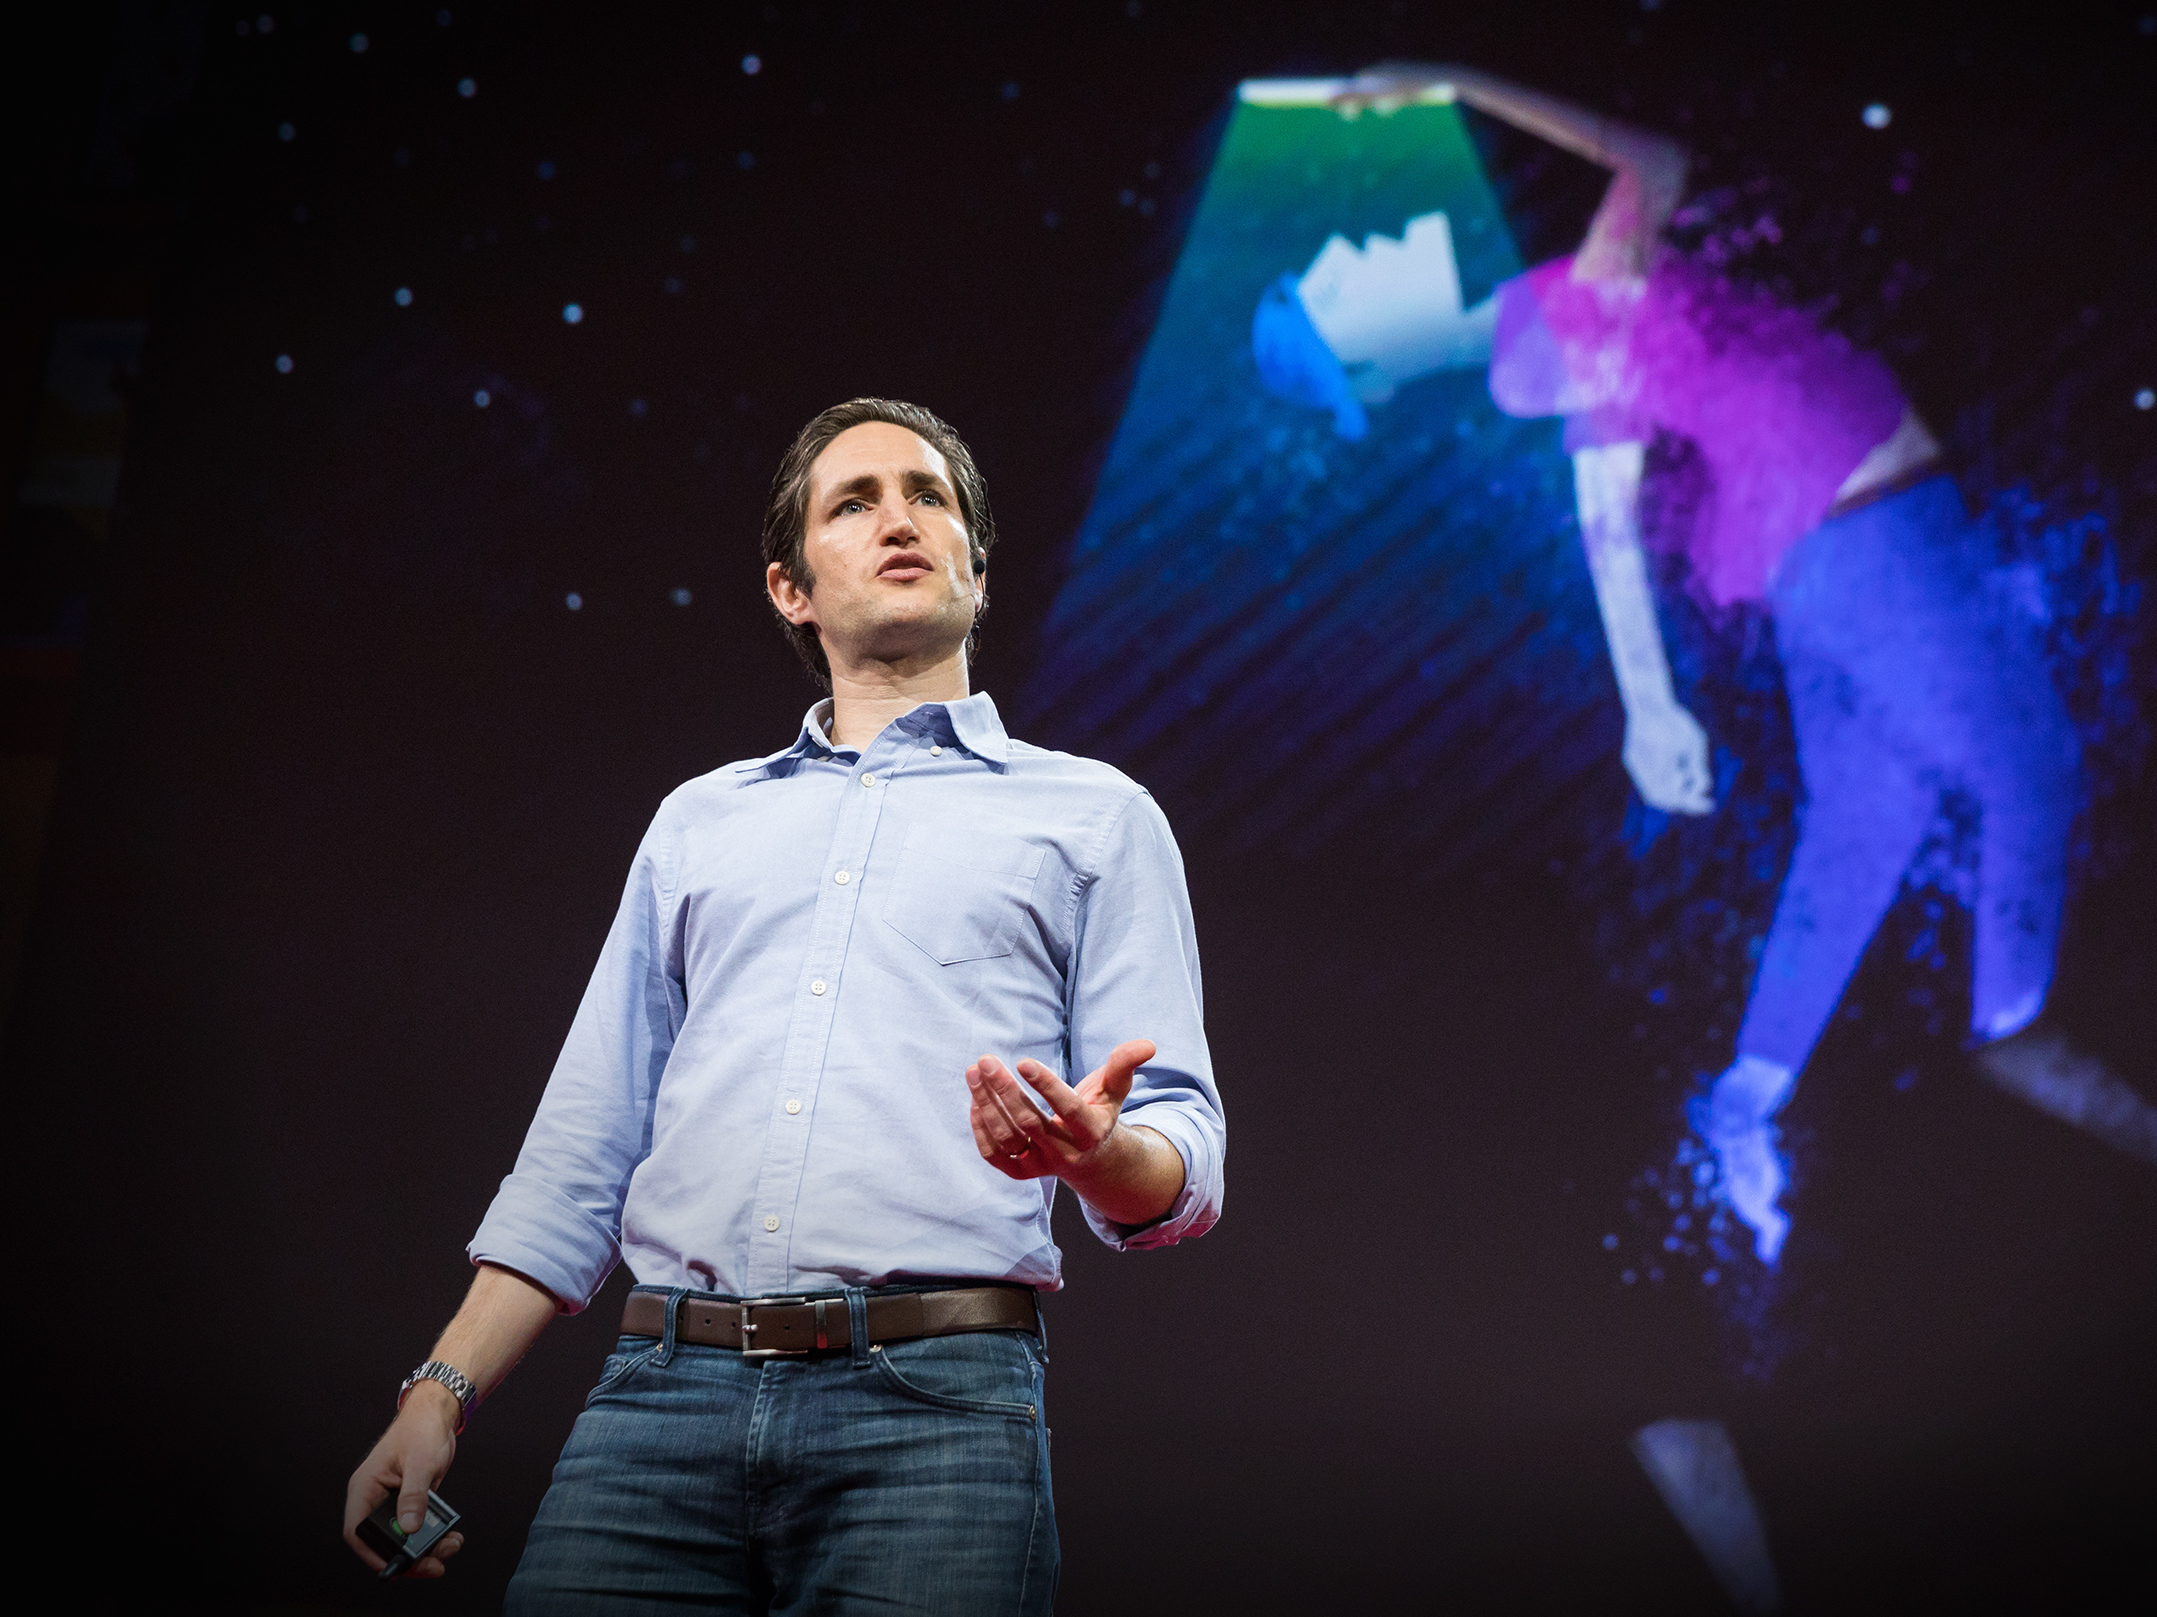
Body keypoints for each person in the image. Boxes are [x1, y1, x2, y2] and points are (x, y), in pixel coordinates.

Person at [342, 398, 1225, 1612]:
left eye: (928, 497)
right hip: (659, 1406)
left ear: (977, 569)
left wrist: (1098, 1154)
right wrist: (437, 1398)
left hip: (934, 1414)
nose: (898, 520)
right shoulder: (699, 823)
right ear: (790, 590)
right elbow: (582, 1155)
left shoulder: (1097, 818)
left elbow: (1182, 1154)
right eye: (852, 504)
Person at [1255, 64, 2145, 1266]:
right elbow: (1651, 191)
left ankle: (1746, 1100)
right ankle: (2013, 1025)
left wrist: (1650, 703)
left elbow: (1609, 483)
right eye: (1334, 287)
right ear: (1370, 370)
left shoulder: (1531, 323)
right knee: (2028, 771)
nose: (1349, 249)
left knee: (1862, 829)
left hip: (1826, 545)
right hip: (1860, 530)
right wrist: (1453, 76)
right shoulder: (1550, 328)